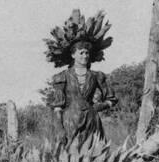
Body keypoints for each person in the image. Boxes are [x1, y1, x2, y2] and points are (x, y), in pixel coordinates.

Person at [43, 9, 116, 146]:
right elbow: (58, 108)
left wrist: (96, 108)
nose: (85, 56)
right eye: (81, 53)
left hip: (92, 123)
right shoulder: (62, 76)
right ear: (73, 55)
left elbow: (111, 99)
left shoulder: (96, 76)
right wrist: (60, 130)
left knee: (94, 156)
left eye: (87, 53)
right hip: (69, 122)